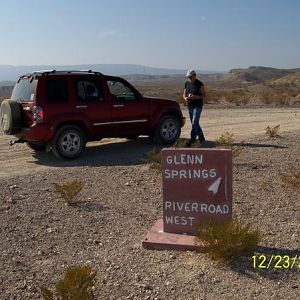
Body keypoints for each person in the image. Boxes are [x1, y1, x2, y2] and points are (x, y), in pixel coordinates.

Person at [183, 69, 206, 147]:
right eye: (188, 77)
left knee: (194, 123)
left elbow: (204, 95)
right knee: (195, 123)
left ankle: (192, 140)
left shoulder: (200, 84)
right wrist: (185, 98)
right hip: (190, 106)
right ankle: (202, 138)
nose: (189, 78)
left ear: (194, 76)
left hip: (197, 106)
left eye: (190, 77)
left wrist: (195, 97)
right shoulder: (187, 83)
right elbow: (184, 94)